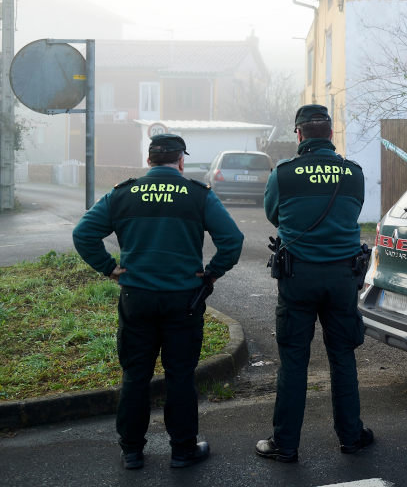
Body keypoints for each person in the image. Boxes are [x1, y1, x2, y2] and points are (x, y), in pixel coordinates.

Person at [72, 134, 243, 470]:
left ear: (149, 160)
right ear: (181, 161)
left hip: (137, 298)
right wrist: (211, 274)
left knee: (135, 375)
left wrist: (110, 269)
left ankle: (132, 452)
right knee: (180, 375)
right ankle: (182, 451)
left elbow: (83, 234)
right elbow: (232, 240)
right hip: (184, 300)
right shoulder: (197, 195)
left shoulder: (123, 193)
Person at [255, 104, 372, 463]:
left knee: (293, 361)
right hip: (342, 279)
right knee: (342, 358)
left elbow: (272, 213)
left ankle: (285, 444)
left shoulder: (284, 174)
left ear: (299, 134)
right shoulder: (353, 174)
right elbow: (354, 211)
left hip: (298, 278)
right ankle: (351, 436)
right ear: (331, 134)